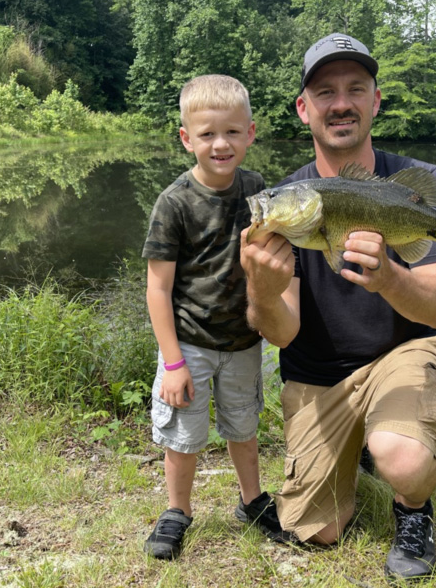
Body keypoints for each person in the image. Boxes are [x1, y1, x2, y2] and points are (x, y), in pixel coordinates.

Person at [240, 34, 436, 581]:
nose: (341, 103)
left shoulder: (421, 183)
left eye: (355, 89)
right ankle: (357, 443)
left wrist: (388, 278)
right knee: (315, 532)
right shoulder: (288, 201)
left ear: (375, 100)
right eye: (325, 92)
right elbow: (283, 334)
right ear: (304, 108)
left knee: (403, 460)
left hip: (400, 353)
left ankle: (413, 509)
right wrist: (263, 291)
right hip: (318, 373)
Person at [142, 74, 291, 561]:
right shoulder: (174, 202)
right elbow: (158, 288)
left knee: (243, 428)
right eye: (207, 134)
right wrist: (171, 362)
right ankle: (177, 511)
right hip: (189, 343)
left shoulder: (257, 190)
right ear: (187, 139)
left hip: (244, 340)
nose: (220, 144)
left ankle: (251, 501)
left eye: (231, 132)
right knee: (183, 438)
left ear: (251, 132)